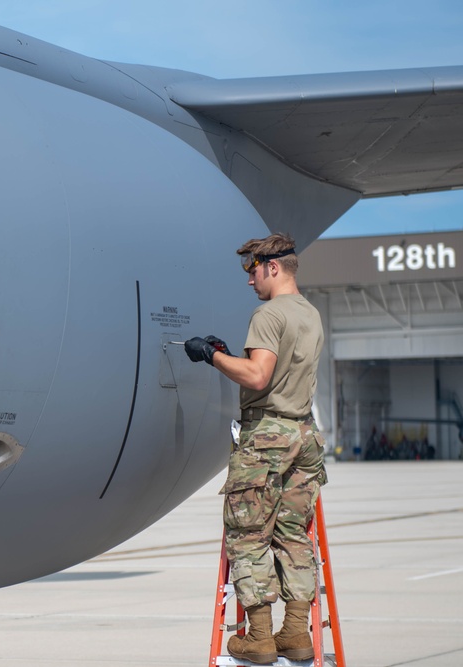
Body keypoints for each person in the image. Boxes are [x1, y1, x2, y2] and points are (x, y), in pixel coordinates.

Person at [184, 232, 327, 664]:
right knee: (292, 535)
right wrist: (233, 356)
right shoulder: (310, 314)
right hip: (304, 436)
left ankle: (260, 637)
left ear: (273, 267)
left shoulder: (268, 314)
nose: (250, 281)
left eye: (252, 271)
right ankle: (297, 633)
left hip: (266, 437)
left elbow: (258, 377)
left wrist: (211, 356)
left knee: (248, 535)